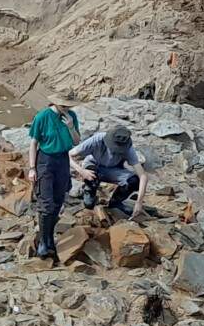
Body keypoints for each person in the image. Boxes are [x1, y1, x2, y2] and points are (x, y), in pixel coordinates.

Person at [28, 92, 80, 262]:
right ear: (56, 103)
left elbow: (76, 142)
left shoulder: (71, 117)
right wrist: (32, 168)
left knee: (58, 200)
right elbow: (34, 143)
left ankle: (49, 237)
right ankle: (43, 242)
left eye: (68, 105)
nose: (66, 108)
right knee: (46, 202)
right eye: (63, 105)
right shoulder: (42, 117)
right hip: (45, 160)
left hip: (63, 159)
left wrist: (71, 126)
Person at [69, 121, 145, 217]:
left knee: (134, 180)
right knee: (90, 189)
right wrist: (81, 171)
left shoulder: (127, 148)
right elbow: (68, 155)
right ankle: (90, 195)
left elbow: (142, 176)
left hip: (113, 170)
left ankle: (115, 203)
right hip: (94, 165)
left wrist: (139, 202)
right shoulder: (97, 139)